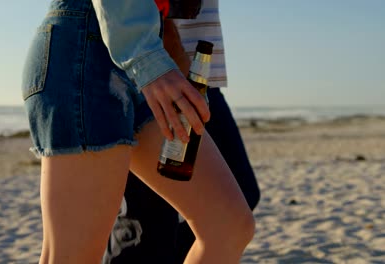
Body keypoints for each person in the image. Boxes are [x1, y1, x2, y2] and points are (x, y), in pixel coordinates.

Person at [21, 0, 255, 263]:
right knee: (71, 257)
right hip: (90, 46)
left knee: (228, 227)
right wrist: (149, 60)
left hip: (145, 48)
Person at [103, 1, 260, 263]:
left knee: (239, 196)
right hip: (160, 71)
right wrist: (168, 46)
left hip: (198, 75)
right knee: (148, 221)